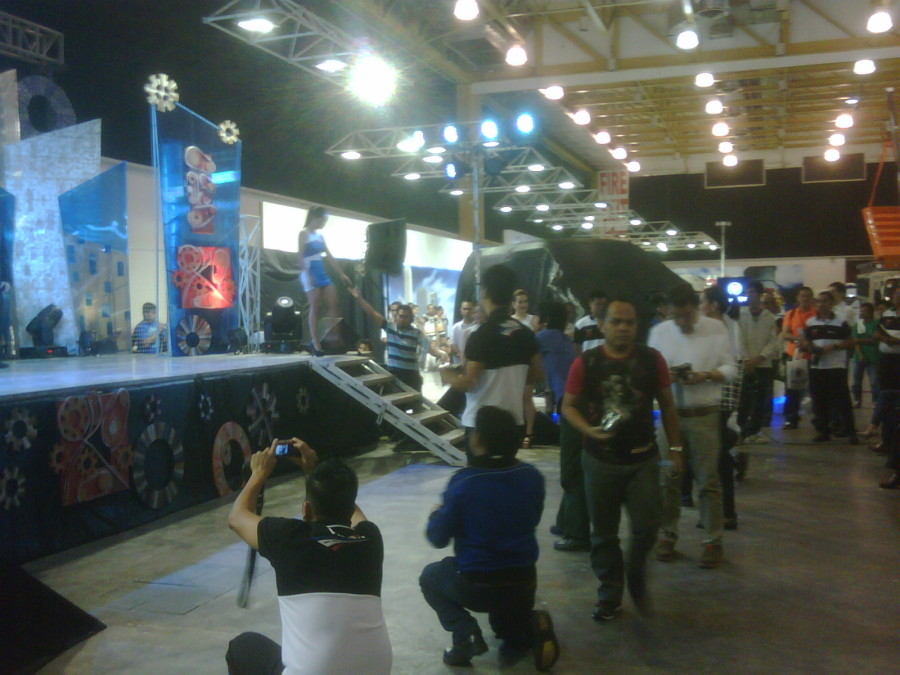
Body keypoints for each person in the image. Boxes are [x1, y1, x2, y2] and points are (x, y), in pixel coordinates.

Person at [226, 440, 392, 675]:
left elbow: (237, 517)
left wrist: (259, 473)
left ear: (306, 509)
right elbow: (348, 506)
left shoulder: (288, 538)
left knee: (242, 647)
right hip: (375, 670)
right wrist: (315, 472)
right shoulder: (370, 539)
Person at [562, 297, 683, 619]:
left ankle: (635, 571)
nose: (623, 328)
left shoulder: (651, 360)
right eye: (616, 321)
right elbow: (568, 406)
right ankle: (610, 593)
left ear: (637, 326)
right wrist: (588, 430)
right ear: (602, 325)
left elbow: (668, 406)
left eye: (629, 322)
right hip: (599, 460)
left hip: (643, 459)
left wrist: (676, 449)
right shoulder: (586, 363)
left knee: (647, 527)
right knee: (603, 534)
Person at [419, 405, 559, 670]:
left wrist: (436, 515)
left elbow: (438, 538)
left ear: (477, 439)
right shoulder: (531, 476)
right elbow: (532, 518)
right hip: (523, 580)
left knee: (430, 577)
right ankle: (528, 628)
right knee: (506, 629)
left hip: (477, 584)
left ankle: (465, 633)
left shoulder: (464, 482)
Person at [649, 284, 737, 569]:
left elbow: (731, 369)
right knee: (667, 479)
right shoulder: (660, 332)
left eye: (686, 315)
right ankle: (667, 535)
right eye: (675, 316)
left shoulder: (715, 329)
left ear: (696, 308)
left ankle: (712, 541)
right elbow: (649, 371)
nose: (680, 322)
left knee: (708, 480)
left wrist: (706, 375)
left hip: (704, 416)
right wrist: (667, 376)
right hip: (670, 416)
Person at [444, 264, 542, 454]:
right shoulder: (526, 334)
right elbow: (536, 375)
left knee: (481, 471)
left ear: (485, 292)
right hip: (513, 422)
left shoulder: (481, 335)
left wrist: (447, 375)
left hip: (481, 427)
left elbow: (470, 383)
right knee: (507, 469)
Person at [348, 288, 447, 392]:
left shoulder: (416, 333)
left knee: (415, 400)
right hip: (394, 373)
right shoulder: (389, 327)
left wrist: (441, 354)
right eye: (400, 316)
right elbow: (373, 313)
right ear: (397, 316)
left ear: (410, 318)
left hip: (411, 374)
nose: (402, 319)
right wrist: (359, 298)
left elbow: (429, 348)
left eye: (405, 317)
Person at [800, 291, 858, 444]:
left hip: (835, 366)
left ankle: (850, 432)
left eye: (825, 301)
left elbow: (851, 341)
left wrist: (833, 347)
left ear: (831, 304)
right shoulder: (811, 323)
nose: (821, 304)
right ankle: (823, 431)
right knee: (819, 400)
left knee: (842, 400)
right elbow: (805, 340)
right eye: (818, 302)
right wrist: (809, 346)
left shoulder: (840, 323)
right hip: (817, 366)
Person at [297, 206, 351, 356]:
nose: (323, 223)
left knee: (333, 302)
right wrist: (308, 274)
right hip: (309, 270)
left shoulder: (320, 236)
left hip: (321, 270)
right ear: (315, 217)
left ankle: (334, 335)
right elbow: (300, 255)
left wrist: (341, 274)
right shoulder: (303, 233)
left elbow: (329, 255)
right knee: (315, 306)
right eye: (323, 220)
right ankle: (315, 342)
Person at [736, 281, 780, 444]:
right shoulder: (741, 315)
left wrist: (759, 358)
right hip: (745, 363)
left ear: (760, 295)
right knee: (744, 400)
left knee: (761, 399)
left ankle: (754, 431)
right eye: (747, 292)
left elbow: (772, 342)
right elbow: (738, 339)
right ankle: (740, 430)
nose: (749, 295)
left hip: (763, 364)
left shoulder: (769, 317)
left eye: (752, 292)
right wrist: (746, 360)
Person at [779, 286, 816, 429]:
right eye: (802, 296)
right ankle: (791, 418)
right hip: (795, 357)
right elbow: (785, 334)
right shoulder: (791, 314)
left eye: (808, 296)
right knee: (792, 390)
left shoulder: (817, 314)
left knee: (816, 390)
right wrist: (799, 339)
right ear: (797, 298)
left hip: (813, 357)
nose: (805, 299)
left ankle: (819, 418)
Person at [511, 289, 539, 447]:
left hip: (528, 363)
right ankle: (515, 430)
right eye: (520, 302)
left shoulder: (533, 319)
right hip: (513, 364)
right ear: (513, 304)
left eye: (525, 301)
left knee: (527, 397)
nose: (523, 305)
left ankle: (529, 433)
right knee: (513, 398)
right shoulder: (509, 321)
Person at [851, 302, 880, 409]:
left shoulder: (877, 324)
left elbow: (874, 340)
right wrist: (860, 354)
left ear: (871, 312)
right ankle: (857, 400)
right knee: (856, 381)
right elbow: (855, 341)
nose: (862, 313)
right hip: (858, 357)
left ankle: (875, 401)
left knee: (874, 381)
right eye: (861, 311)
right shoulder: (858, 325)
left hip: (874, 357)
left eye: (864, 311)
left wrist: (860, 340)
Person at [573, 288, 607, 354]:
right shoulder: (580, 324)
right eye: (598, 304)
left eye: (604, 304)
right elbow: (576, 347)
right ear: (590, 303)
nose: (601, 307)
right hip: (587, 359)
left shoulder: (611, 323)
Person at [449, 299, 478, 367]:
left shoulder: (478, 326)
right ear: (461, 310)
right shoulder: (456, 327)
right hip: (458, 363)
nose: (467, 311)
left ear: (473, 310)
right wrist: (461, 354)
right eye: (465, 309)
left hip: (473, 363)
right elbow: (453, 343)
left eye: (469, 309)